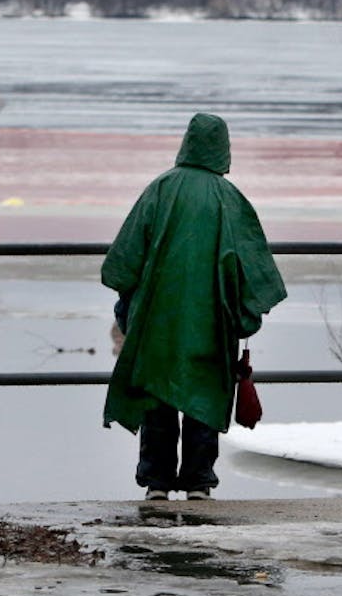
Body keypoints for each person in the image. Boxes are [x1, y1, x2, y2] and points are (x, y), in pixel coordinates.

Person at [101, 112, 287, 501]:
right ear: (223, 148)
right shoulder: (230, 199)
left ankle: (157, 482)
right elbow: (254, 267)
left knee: (159, 395)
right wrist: (246, 314)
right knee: (204, 396)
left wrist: (128, 308)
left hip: (158, 320)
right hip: (211, 320)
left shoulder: (159, 190)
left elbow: (124, 260)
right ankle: (199, 481)